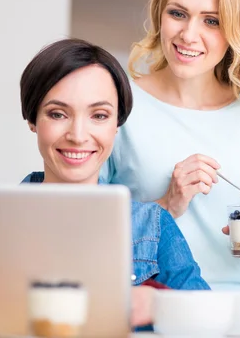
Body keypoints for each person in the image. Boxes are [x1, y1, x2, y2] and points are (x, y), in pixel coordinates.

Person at [100, 0, 240, 303]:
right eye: (178, 14)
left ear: (234, 30)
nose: (188, 34)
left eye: (211, 21)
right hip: (150, 307)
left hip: (239, 307)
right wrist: (166, 205)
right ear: (160, 16)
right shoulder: (120, 104)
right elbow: (91, 232)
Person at [18, 38, 210, 327]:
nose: (78, 135)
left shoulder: (152, 226)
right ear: (33, 119)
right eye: (58, 114)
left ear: (116, 125)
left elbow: (209, 321)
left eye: (99, 115)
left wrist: (162, 306)